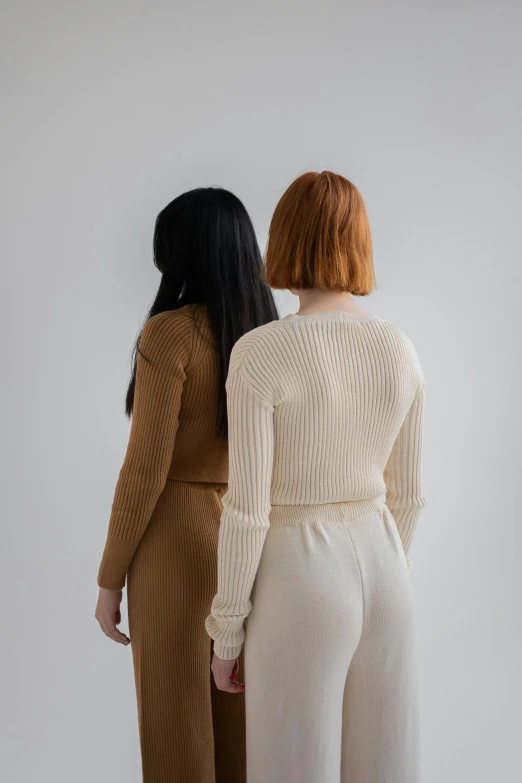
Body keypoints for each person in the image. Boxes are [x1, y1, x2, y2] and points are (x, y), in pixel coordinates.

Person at [206, 171, 426, 783]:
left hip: (300, 577)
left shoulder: (260, 351)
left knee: (292, 767)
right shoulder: (398, 348)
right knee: (386, 767)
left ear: (285, 241)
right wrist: (377, 567)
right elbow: (408, 494)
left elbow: (246, 509)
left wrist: (227, 632)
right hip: (386, 573)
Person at [95, 187, 278, 783]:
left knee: (175, 723)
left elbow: (145, 469)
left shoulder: (170, 334)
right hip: (254, 534)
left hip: (175, 538)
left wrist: (109, 578)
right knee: (239, 717)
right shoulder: (270, 338)